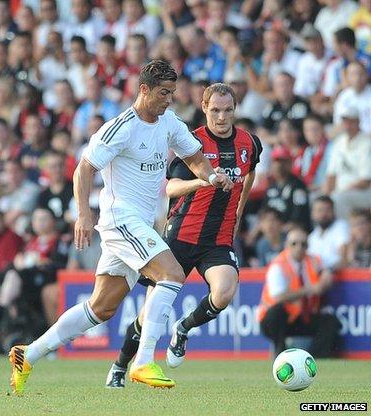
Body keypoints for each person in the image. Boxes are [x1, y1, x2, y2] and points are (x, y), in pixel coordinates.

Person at [8, 60, 232, 395]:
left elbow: (195, 157)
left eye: (172, 92)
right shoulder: (121, 127)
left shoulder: (169, 122)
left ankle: (29, 354)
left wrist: (211, 175)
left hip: (139, 224)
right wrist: (83, 214)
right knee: (171, 273)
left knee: (101, 307)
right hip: (120, 219)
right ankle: (143, 361)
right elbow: (84, 169)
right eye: (163, 93)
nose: (169, 99)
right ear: (144, 90)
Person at [105, 82, 262, 388]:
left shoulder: (249, 143)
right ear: (204, 108)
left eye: (228, 110)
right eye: (215, 110)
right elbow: (171, 188)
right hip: (180, 236)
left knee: (225, 291)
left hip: (217, 239)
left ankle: (184, 328)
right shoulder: (191, 142)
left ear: (235, 110)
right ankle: (121, 364)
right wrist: (203, 183)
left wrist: (240, 209)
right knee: (149, 313)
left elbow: (250, 171)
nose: (221, 117)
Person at [258, 227, 340, 357]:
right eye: (294, 243)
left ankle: (313, 357)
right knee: (277, 312)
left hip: (301, 316)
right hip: (276, 320)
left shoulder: (313, 260)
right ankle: (280, 355)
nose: (299, 248)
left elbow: (329, 268)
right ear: (287, 245)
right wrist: (310, 289)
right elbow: (278, 296)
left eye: (303, 244)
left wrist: (325, 277)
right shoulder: (278, 265)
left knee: (330, 322)